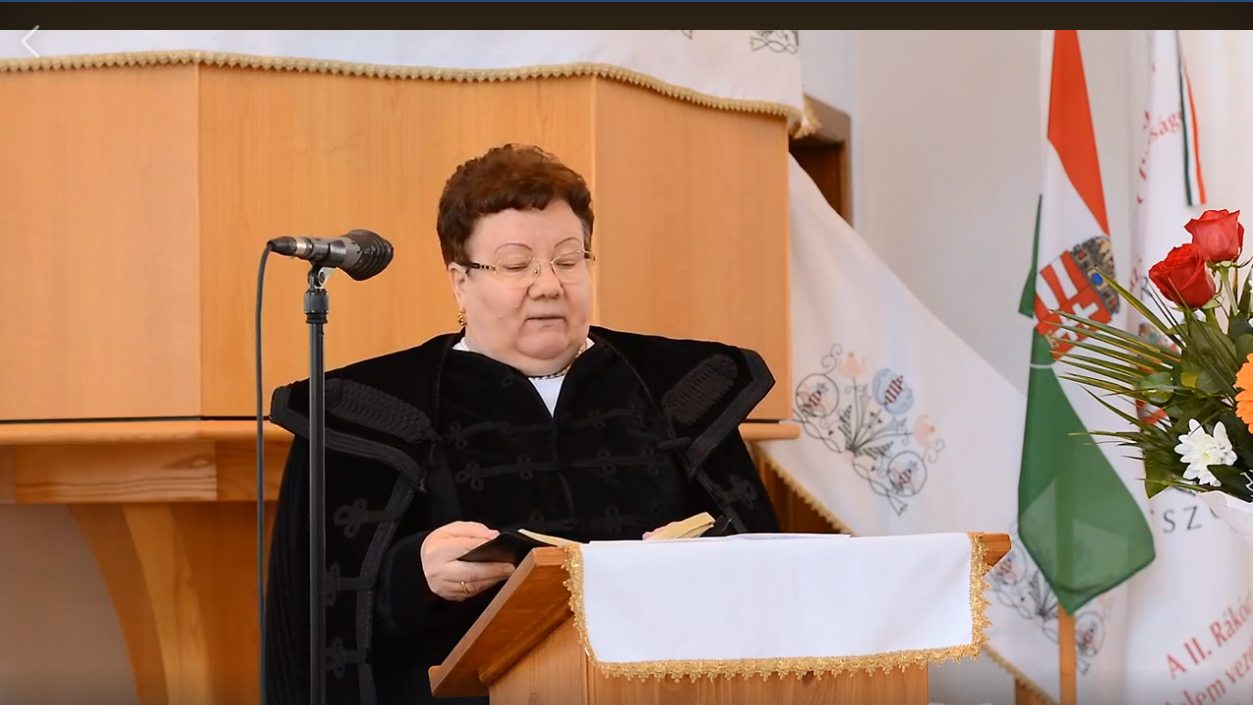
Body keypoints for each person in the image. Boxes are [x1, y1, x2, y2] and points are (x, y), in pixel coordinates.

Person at [263, 143, 782, 705]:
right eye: (516, 265)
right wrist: (415, 577)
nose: (549, 284)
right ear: (460, 281)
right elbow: (314, 626)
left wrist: (708, 560)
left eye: (568, 260)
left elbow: (772, 574)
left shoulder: (680, 392)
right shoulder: (368, 413)